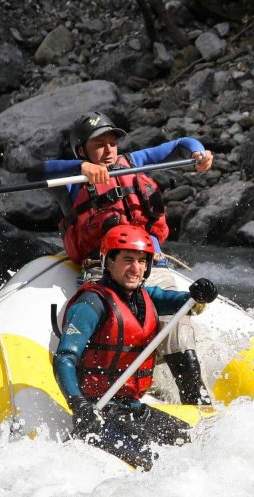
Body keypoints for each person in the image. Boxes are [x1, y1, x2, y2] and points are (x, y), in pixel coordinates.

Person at [33, 110, 216, 404]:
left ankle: (195, 396)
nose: (108, 151)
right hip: (104, 269)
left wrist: (199, 153)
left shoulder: (132, 163)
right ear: (82, 150)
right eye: (99, 145)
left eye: (112, 143)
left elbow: (181, 143)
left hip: (151, 264)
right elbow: (35, 170)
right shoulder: (71, 181)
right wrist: (80, 167)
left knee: (176, 319)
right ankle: (105, 393)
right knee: (116, 323)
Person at [53, 225, 218, 470]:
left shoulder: (144, 297)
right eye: (128, 260)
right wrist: (79, 406)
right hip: (100, 411)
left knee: (196, 444)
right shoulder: (91, 303)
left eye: (142, 261)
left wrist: (202, 294)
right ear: (109, 262)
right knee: (153, 464)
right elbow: (65, 358)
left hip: (133, 407)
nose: (136, 268)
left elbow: (185, 302)